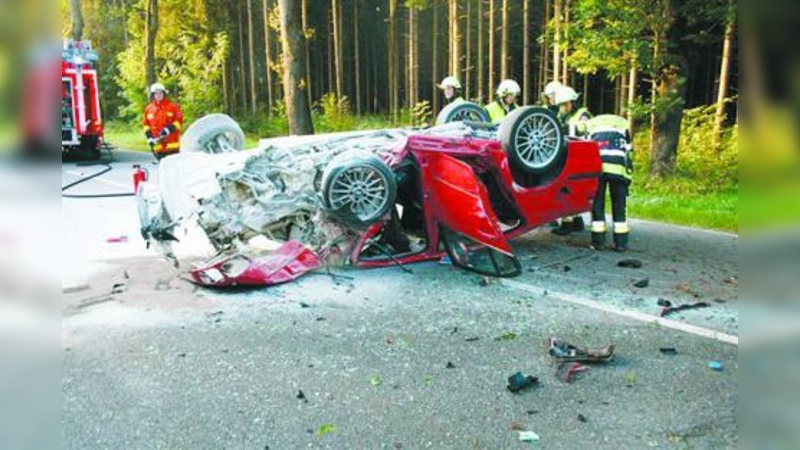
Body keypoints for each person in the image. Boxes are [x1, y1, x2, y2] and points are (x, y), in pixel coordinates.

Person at [586, 115, 634, 252]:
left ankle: (598, 243)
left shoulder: (591, 129)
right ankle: (621, 244)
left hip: (598, 170)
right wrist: (628, 179)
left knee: (597, 205)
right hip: (618, 171)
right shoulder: (623, 130)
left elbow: (586, 149)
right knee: (619, 206)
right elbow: (629, 154)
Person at [552, 85, 592, 236]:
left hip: (579, 156)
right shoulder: (563, 115)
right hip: (568, 155)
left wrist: (564, 127)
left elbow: (582, 129)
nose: (563, 108)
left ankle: (568, 224)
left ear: (571, 102)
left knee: (567, 189)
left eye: (565, 104)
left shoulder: (583, 114)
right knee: (569, 189)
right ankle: (576, 221)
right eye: (562, 105)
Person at [142, 83, 184, 160]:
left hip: (172, 145)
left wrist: (168, 129)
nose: (158, 95)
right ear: (153, 95)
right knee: (162, 168)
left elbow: (179, 121)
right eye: (156, 93)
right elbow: (146, 125)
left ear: (164, 94)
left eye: (160, 93)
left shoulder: (173, 107)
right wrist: (149, 137)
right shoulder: (148, 109)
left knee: (173, 169)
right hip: (158, 145)